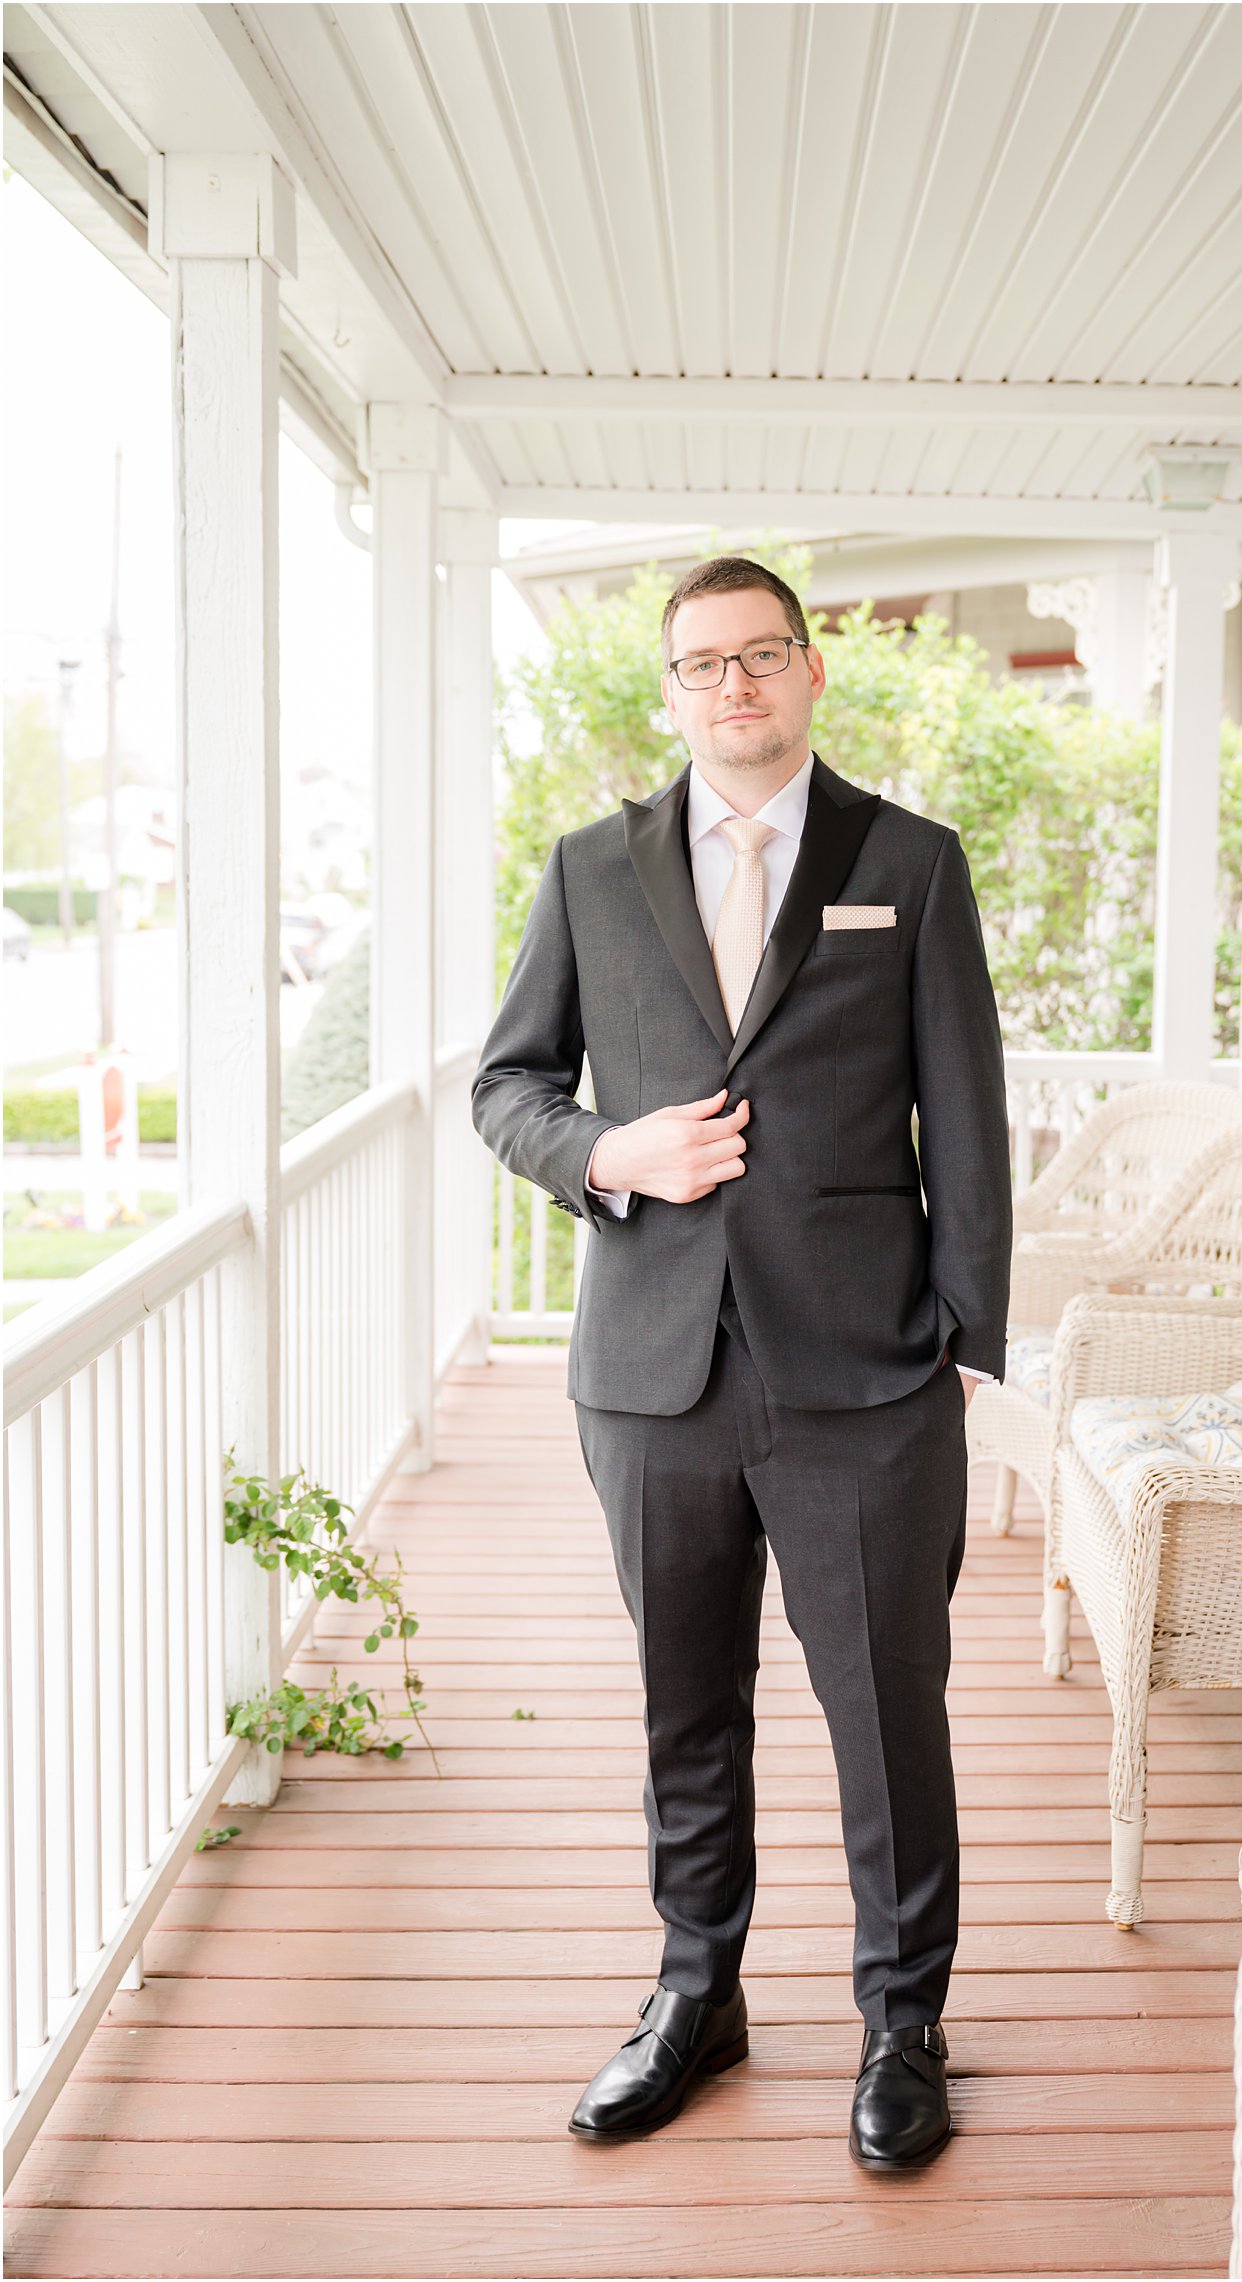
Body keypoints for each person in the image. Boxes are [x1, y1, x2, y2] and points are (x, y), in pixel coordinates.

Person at [470, 556, 1013, 2168]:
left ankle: (902, 2019)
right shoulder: (588, 869)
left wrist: (966, 1349)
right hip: (653, 1373)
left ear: (809, 672)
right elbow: (508, 1086)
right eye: (702, 664)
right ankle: (694, 1992)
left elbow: (967, 1117)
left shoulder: (906, 861)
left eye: (761, 656)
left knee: (883, 1711)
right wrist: (611, 1148)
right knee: (682, 1706)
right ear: (672, 690)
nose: (735, 687)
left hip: (866, 1374)